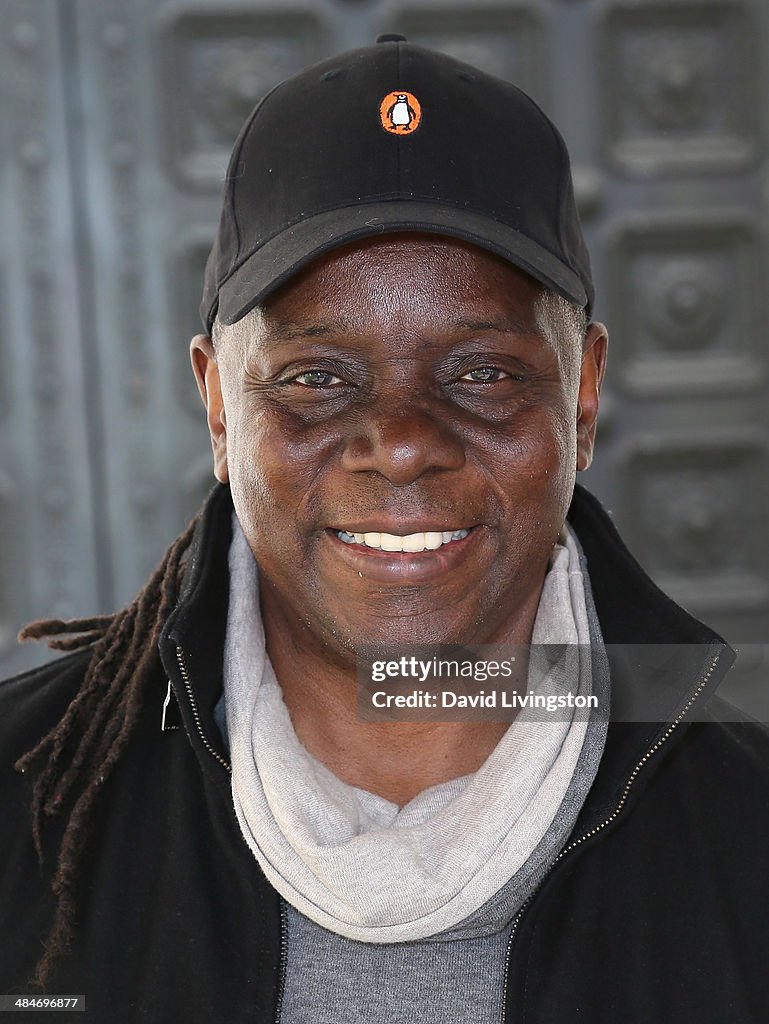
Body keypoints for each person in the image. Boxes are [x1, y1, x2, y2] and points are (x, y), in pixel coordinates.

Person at [1, 35, 768, 1024]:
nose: (401, 444)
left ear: (580, 399)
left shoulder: (745, 837)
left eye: (482, 372)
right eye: (317, 377)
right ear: (219, 410)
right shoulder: (26, 809)